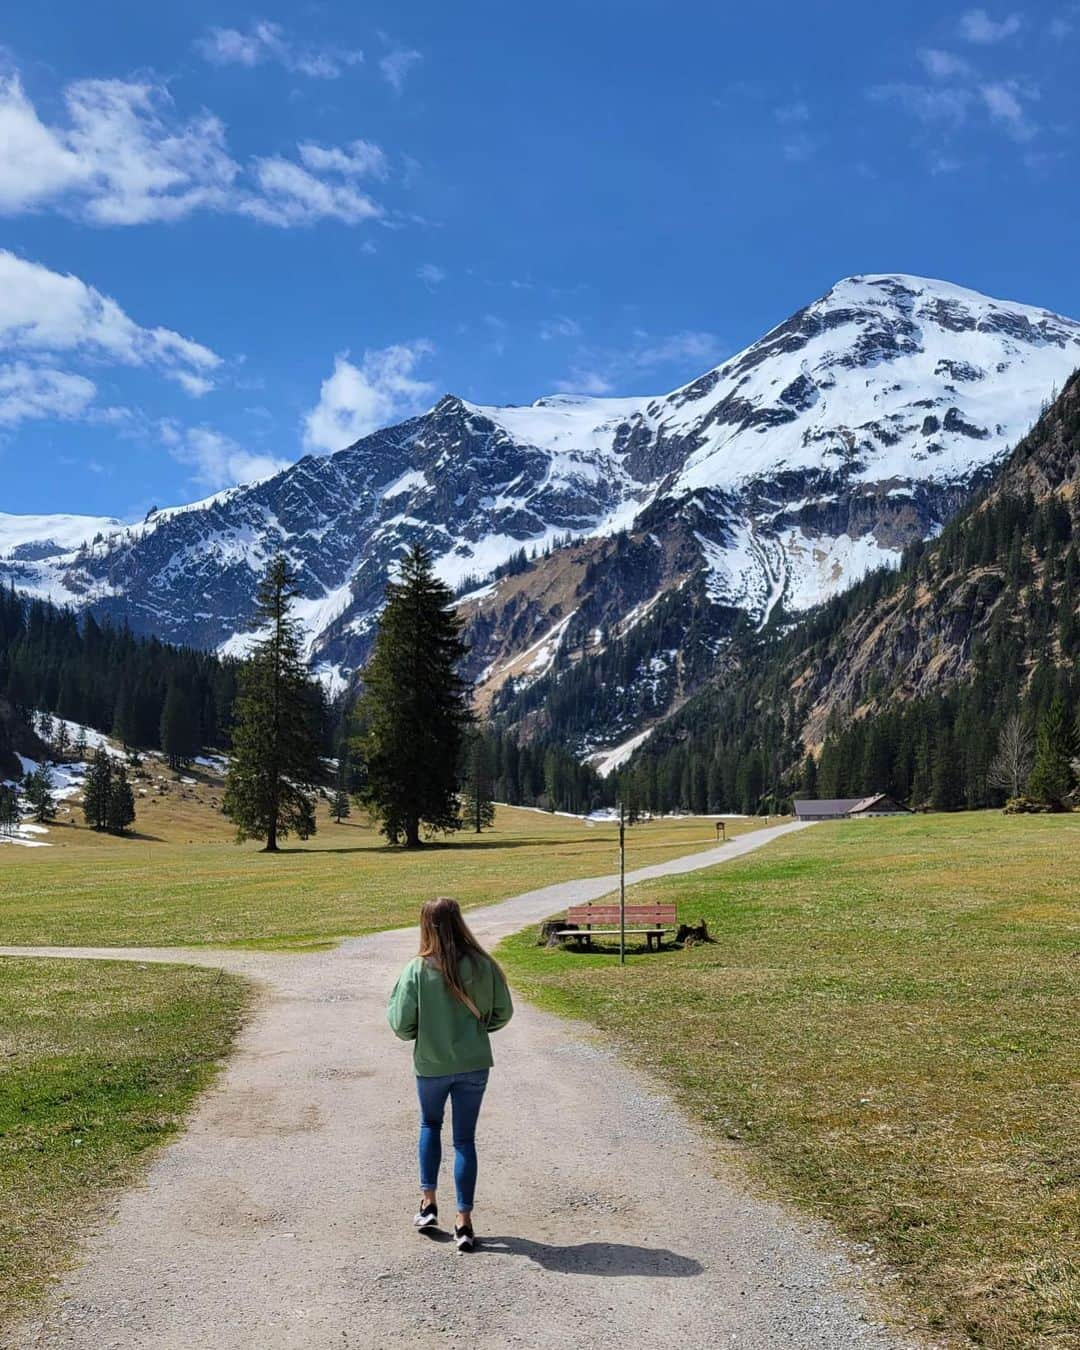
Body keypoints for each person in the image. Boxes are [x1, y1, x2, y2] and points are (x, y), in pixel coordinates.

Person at [387, 896, 514, 1252]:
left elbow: (400, 1025)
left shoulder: (417, 969)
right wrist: (477, 1030)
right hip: (474, 1064)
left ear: (425, 925)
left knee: (430, 1125)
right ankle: (464, 1221)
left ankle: (428, 1203)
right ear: (459, 921)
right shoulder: (484, 964)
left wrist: (425, 1031)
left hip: (431, 1064)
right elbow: (503, 1013)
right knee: (464, 1141)